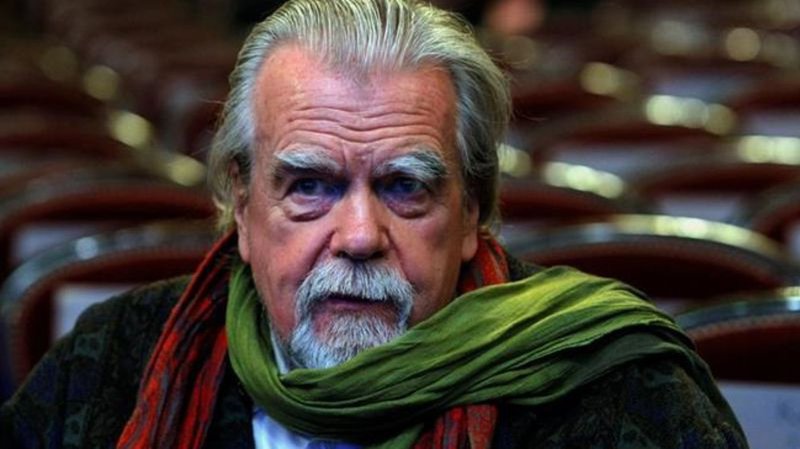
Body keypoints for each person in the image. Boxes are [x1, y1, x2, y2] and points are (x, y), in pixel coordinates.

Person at [1, 0, 747, 448]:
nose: (359, 237)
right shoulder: (113, 365)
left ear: (472, 213)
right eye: (310, 187)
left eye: (404, 187)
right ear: (242, 207)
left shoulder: (621, 397)